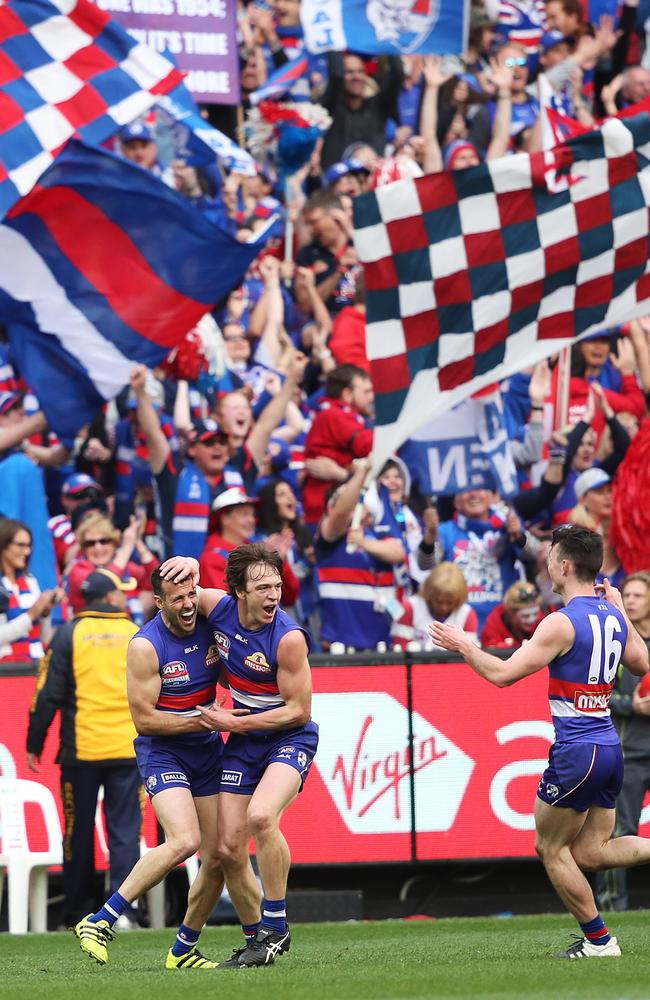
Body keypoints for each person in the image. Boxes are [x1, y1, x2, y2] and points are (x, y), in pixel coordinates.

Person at [430, 524, 650, 958]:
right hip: (608, 746)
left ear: (565, 566)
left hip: (578, 750)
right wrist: (622, 612)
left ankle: (600, 942)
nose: (547, 562)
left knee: (550, 847)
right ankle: (599, 940)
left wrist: (463, 644)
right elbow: (642, 664)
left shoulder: (561, 622)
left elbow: (501, 675)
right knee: (590, 851)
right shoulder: (610, 616)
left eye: (551, 556)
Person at [72, 567, 244, 969]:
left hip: (206, 748)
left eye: (191, 595)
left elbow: (236, 601)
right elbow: (145, 720)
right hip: (163, 751)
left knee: (218, 855)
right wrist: (200, 720)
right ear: (159, 602)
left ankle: (183, 950)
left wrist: (191, 565)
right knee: (185, 841)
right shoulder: (145, 646)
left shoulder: (209, 623)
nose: (187, 605)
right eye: (176, 597)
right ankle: (101, 920)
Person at [160, 542, 319, 968]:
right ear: (239, 592)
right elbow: (188, 591)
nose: (273, 596)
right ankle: (251, 939)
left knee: (263, 816)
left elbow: (300, 710)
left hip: (289, 736)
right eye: (263, 587)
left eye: (278, 586)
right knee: (228, 850)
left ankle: (276, 925)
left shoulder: (287, 639)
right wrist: (191, 562)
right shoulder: (218, 606)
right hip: (246, 740)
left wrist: (235, 723)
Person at [26, 569, 142, 929]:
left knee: (77, 832)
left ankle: (77, 911)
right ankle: (122, 913)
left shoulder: (67, 634)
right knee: (125, 833)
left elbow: (47, 695)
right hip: (128, 749)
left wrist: (34, 743)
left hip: (83, 752)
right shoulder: (134, 633)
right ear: (109, 598)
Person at [597, 572, 650, 912]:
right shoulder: (612, 640)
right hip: (629, 751)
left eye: (637, 595)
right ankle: (612, 907)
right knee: (617, 833)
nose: (630, 600)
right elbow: (597, 691)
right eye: (626, 595)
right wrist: (630, 705)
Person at [0, 518, 60, 661]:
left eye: (29, 546)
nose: (26, 551)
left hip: (35, 663)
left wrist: (45, 612)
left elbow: (44, 637)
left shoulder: (30, 580)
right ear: (3, 545)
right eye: (21, 545)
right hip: (6, 670)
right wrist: (32, 614)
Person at [480, 580, 546, 649]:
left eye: (535, 614)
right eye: (526, 616)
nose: (532, 620)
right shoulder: (495, 623)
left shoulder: (543, 620)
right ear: (511, 613)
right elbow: (491, 650)